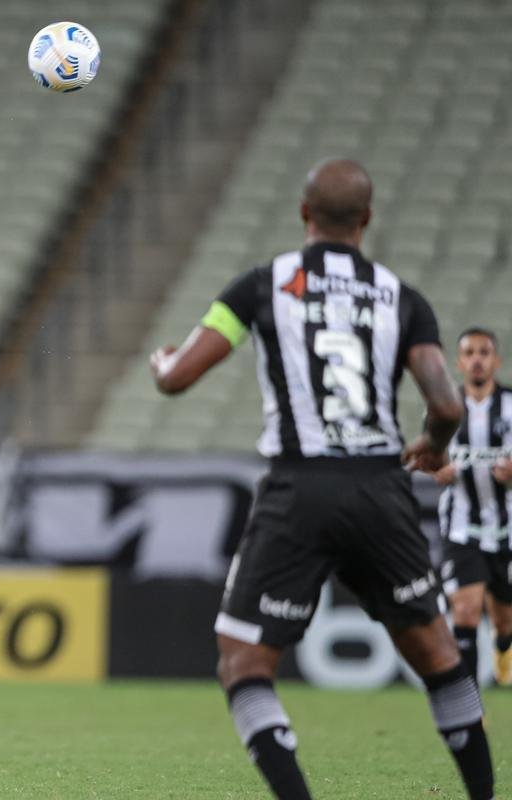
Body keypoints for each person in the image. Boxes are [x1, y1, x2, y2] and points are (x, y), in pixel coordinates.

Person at [149, 158, 492, 799]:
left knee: (244, 661)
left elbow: (178, 378)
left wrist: (161, 362)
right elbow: (447, 406)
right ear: (367, 219)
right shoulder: (401, 297)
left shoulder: (260, 287)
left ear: (304, 214)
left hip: (300, 487)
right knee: (440, 657)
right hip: (381, 490)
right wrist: (431, 445)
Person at [433, 327, 512, 684]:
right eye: (469, 353)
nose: (477, 360)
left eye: (484, 352)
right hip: (461, 526)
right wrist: (437, 469)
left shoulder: (510, 405)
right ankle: (469, 702)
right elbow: (430, 457)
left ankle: (503, 648)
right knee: (464, 611)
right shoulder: (443, 407)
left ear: (496, 361)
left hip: (506, 529)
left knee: (504, 621)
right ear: (459, 363)